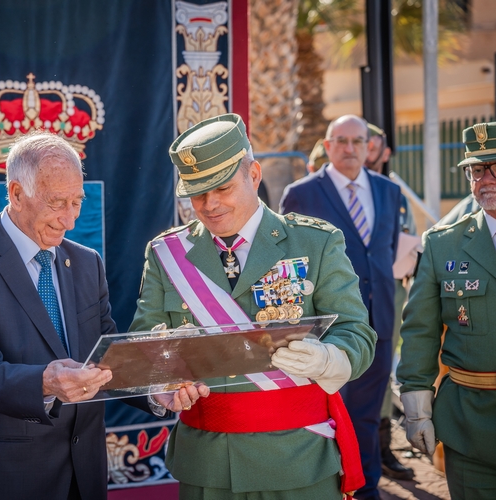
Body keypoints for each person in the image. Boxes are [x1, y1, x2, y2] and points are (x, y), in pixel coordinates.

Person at [0, 132, 205, 500]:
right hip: (3, 477)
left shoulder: (88, 263)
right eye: (57, 202)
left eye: (77, 202)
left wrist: (156, 390)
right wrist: (45, 382)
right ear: (16, 194)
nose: (70, 219)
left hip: (83, 475)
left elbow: (107, 360)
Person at [131, 113, 377, 499]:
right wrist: (161, 381)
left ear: (254, 175)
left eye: (223, 187)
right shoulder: (167, 254)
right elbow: (145, 341)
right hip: (207, 462)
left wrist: (327, 359)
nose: (210, 204)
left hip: (297, 456)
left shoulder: (315, 243)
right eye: (197, 193)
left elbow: (357, 333)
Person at [279, 115, 402, 500]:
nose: (350, 148)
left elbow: (386, 252)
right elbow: (289, 263)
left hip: (379, 322)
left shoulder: (388, 191)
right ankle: (327, 488)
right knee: (325, 413)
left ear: (370, 147)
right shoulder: (301, 194)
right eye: (342, 141)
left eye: (358, 141)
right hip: (326, 331)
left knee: (368, 414)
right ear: (328, 145)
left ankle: (365, 489)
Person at [397, 121, 496, 498]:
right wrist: (416, 408)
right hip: (471, 428)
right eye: (476, 170)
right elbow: (420, 330)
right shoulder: (442, 244)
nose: (486, 179)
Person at [364, 123, 417, 481]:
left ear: (385, 153)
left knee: (383, 366)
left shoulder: (393, 193)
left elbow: (407, 234)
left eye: (371, 146)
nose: (364, 152)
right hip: (350, 288)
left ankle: (382, 446)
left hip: (390, 287)